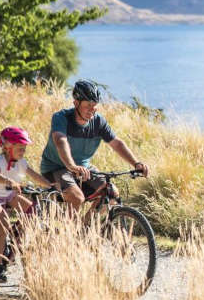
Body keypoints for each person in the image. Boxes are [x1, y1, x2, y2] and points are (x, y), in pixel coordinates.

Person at [40, 79, 149, 215]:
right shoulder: (61, 118)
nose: (92, 110)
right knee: (77, 198)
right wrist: (72, 166)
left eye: (95, 106)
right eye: (88, 106)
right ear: (76, 103)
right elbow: (60, 141)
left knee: (111, 193)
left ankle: (85, 229)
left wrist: (136, 163)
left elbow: (116, 143)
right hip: (55, 168)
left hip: (83, 169)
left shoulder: (98, 122)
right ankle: (67, 233)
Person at [0, 126, 52, 283]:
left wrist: (51, 186)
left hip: (10, 194)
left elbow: (35, 176)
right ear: (7, 148)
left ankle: (13, 247)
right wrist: (10, 182)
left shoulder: (21, 163)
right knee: (4, 227)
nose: (23, 151)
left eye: (24, 148)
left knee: (33, 211)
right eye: (20, 148)